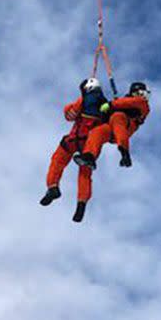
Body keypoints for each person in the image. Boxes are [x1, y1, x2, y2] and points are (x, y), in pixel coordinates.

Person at [40, 77, 109, 223]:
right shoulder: (104, 103)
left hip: (74, 139)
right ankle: (81, 203)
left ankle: (53, 186)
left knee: (57, 161)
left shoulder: (85, 100)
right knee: (85, 173)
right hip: (87, 143)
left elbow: (70, 114)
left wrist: (71, 107)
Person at [74, 81, 150, 174]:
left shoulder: (143, 103)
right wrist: (109, 109)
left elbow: (128, 102)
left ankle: (124, 152)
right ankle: (89, 156)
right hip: (113, 130)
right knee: (98, 131)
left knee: (117, 116)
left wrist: (112, 105)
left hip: (126, 126)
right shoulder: (124, 101)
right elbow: (122, 103)